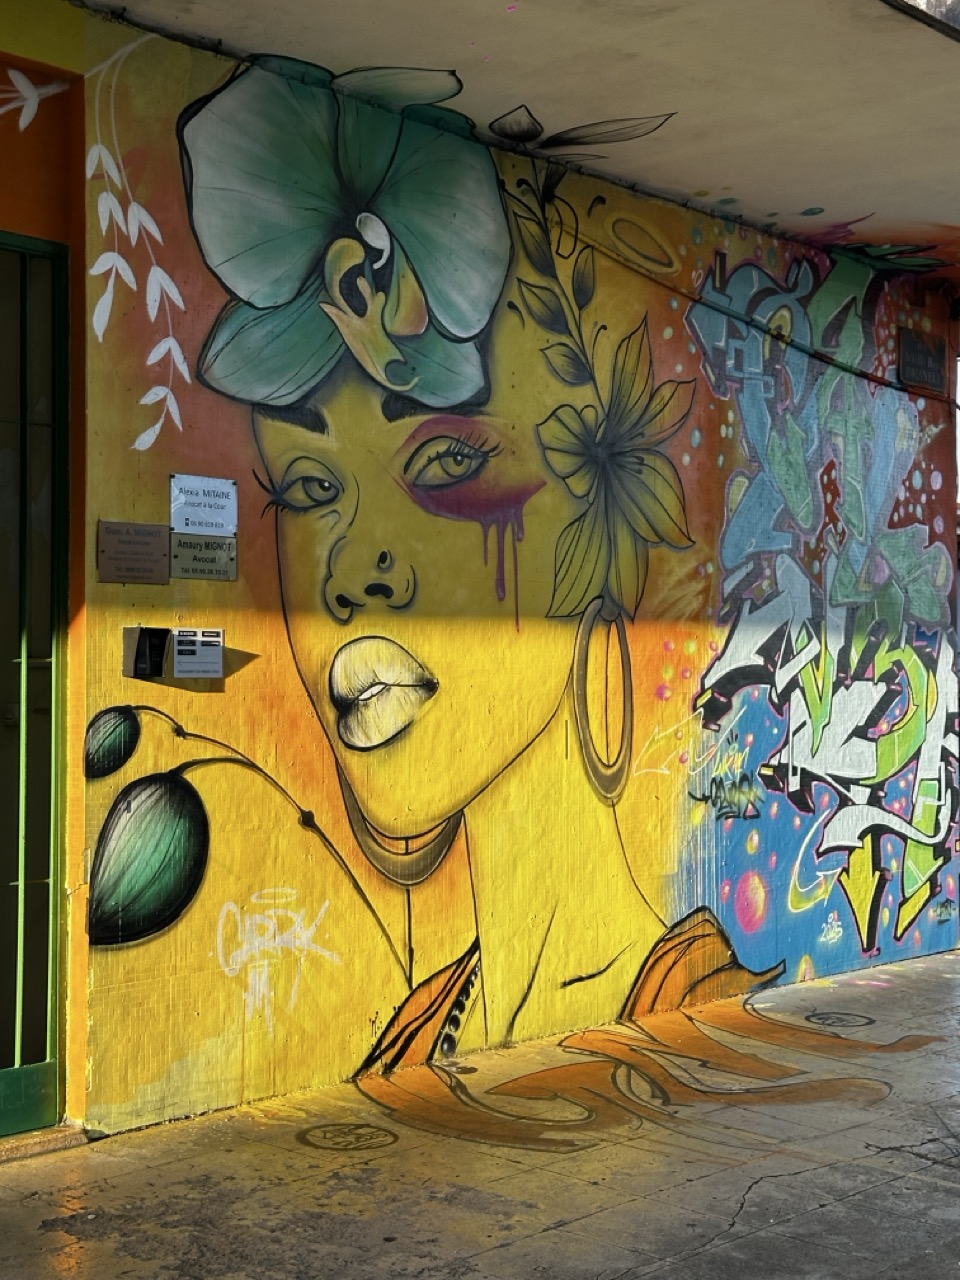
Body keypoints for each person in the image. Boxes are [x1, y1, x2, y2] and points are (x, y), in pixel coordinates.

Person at [177, 54, 754, 1074]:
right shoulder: (423, 1025)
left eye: (444, 461)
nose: (352, 572)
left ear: (599, 530)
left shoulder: (715, 1034)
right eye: (308, 488)